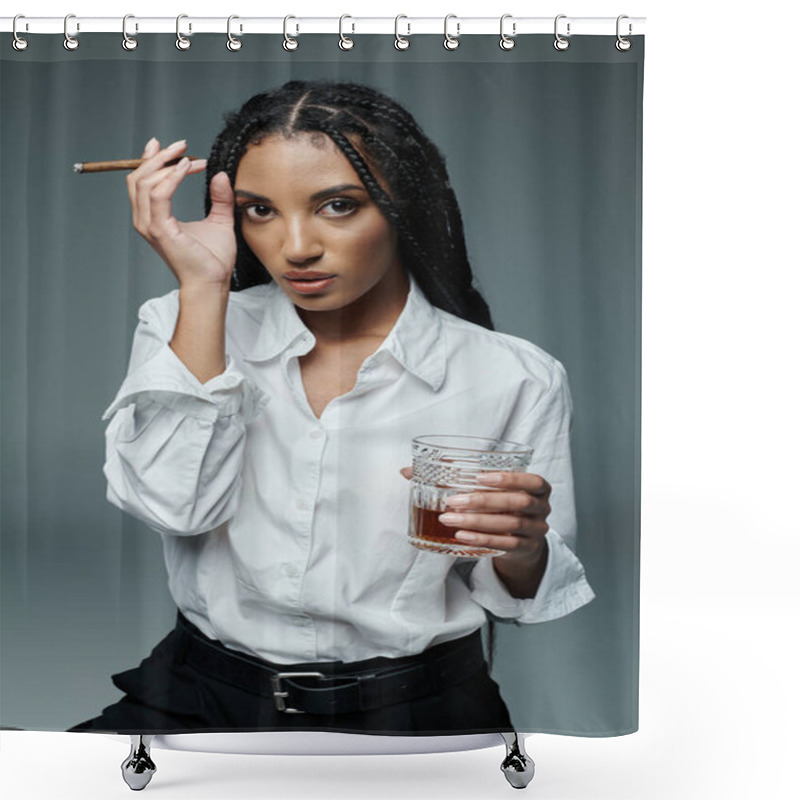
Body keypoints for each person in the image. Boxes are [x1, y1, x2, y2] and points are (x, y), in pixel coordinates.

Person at [69, 80, 594, 736]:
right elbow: (175, 508)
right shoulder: (184, 321)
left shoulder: (513, 377)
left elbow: (517, 597)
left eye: (337, 205)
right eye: (260, 210)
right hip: (203, 690)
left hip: (422, 704)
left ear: (405, 206)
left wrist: (522, 547)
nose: (296, 247)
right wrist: (204, 287)